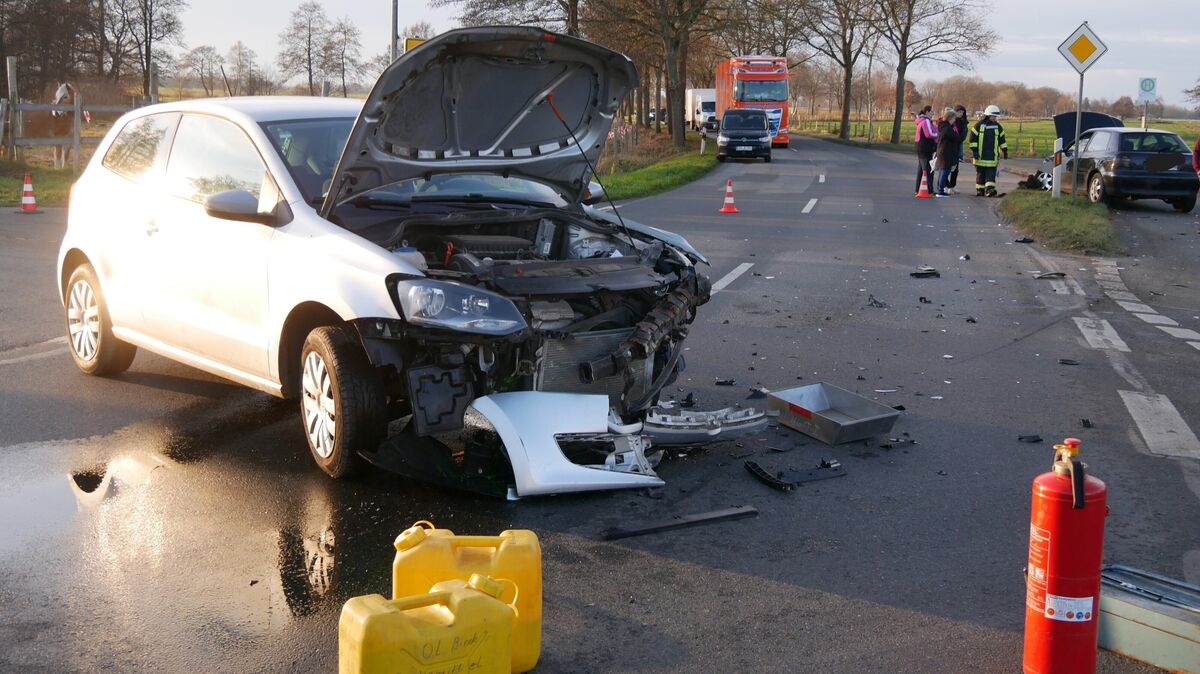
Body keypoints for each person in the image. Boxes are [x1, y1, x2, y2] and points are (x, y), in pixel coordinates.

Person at [968, 104, 1008, 197]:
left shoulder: (998, 127)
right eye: (994, 116)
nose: (995, 118)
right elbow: (972, 139)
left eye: (996, 116)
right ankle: (980, 190)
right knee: (980, 174)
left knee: (991, 174)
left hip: (992, 157)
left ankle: (989, 190)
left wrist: (1004, 150)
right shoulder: (978, 126)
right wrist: (975, 152)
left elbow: (1002, 140)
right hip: (980, 156)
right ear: (988, 115)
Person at [935, 108, 961, 197]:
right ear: (950, 118)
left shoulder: (942, 126)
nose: (954, 121)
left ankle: (939, 188)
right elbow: (956, 137)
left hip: (942, 151)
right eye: (954, 119)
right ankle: (940, 190)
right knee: (945, 171)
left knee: (942, 170)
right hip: (946, 152)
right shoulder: (947, 128)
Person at [914, 105, 937, 195]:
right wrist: (938, 134)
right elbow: (929, 134)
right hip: (925, 148)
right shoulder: (926, 121)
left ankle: (918, 189)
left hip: (921, 147)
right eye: (932, 111)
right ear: (927, 112)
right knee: (927, 169)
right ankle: (929, 189)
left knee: (921, 169)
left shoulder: (922, 120)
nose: (933, 113)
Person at [947, 104, 969, 192]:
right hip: (951, 146)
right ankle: (946, 185)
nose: (961, 113)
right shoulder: (952, 121)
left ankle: (953, 185)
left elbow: (963, 134)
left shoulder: (963, 122)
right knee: (947, 168)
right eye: (959, 112)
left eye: (962, 112)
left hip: (959, 145)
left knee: (955, 168)